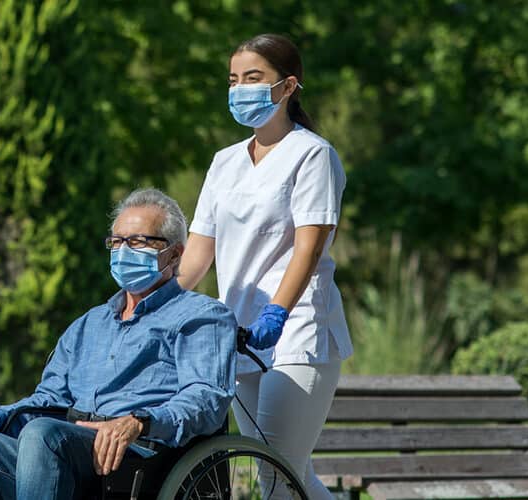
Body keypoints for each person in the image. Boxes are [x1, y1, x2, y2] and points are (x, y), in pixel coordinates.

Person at [0, 188, 237, 500]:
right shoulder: (88, 324)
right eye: (117, 242)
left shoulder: (201, 316)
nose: (124, 251)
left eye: (138, 241)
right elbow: (48, 399)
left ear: (175, 253)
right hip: (62, 447)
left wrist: (139, 421)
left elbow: (206, 398)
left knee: (44, 435)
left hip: (140, 453)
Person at [176, 33, 351, 500]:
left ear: (288, 86)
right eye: (233, 80)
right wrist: (154, 301)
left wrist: (277, 312)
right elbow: (198, 253)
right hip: (238, 336)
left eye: (253, 78)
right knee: (293, 477)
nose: (240, 89)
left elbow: (309, 248)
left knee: (275, 476)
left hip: (295, 332)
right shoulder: (224, 162)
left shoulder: (313, 155)